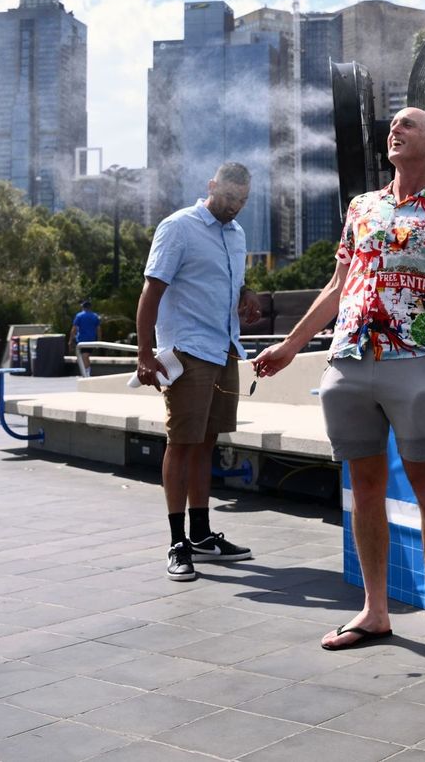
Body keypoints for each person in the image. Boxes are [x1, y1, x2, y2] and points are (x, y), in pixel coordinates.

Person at [254, 107, 425, 659]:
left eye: (408, 125)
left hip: (414, 359)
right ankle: (375, 609)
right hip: (349, 358)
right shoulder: (362, 207)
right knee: (365, 489)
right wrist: (290, 345)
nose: (395, 130)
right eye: (393, 125)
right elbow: (338, 285)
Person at [137, 162, 263, 581]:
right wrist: (145, 354)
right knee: (182, 442)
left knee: (206, 443)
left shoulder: (237, 233)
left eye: (242, 201)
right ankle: (177, 542)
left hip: (225, 348)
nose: (234, 207)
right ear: (211, 186)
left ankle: (203, 536)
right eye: (228, 198)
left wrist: (246, 294)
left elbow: (226, 281)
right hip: (187, 349)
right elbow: (151, 292)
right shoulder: (179, 227)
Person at [70, 299, 101, 377]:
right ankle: (85, 372)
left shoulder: (79, 316)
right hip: (91, 339)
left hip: (82, 340)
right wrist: (99, 340)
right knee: (84, 355)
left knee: (84, 355)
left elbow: (74, 328)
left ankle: (87, 373)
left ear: (83, 307)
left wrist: (70, 340)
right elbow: (98, 329)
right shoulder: (95, 316)